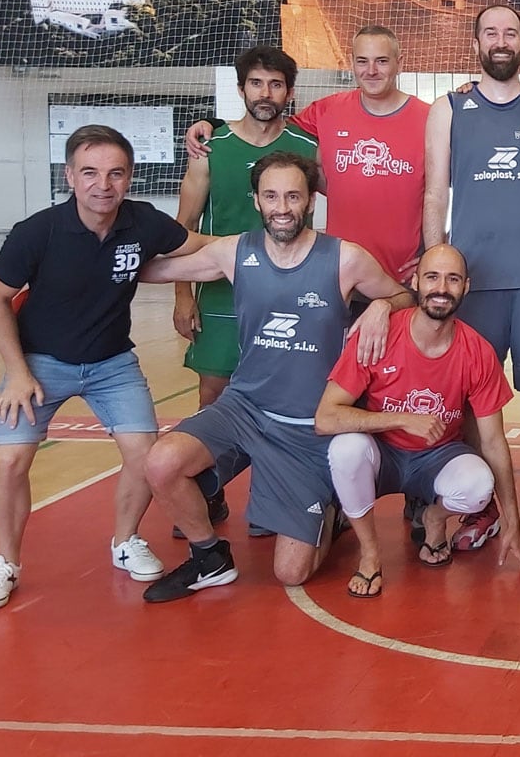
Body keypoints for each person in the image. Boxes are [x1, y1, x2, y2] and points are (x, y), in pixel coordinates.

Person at [137, 152, 412, 602]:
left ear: (309, 202)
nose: (281, 207)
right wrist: (106, 247)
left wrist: (382, 305)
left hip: (307, 427)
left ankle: (332, 509)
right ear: (257, 201)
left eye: (292, 196)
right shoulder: (234, 251)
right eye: (270, 196)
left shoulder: (345, 259)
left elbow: (403, 294)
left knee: (290, 572)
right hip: (243, 408)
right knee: (161, 462)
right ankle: (209, 558)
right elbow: (158, 269)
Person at [0, 125, 207, 611]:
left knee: (147, 456)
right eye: (91, 173)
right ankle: (6, 561)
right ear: (70, 177)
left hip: (111, 362)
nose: (104, 184)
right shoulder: (37, 232)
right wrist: (17, 371)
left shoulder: (143, 224)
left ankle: (124, 540)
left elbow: (200, 244)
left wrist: (267, 239)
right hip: (38, 362)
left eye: (116, 173)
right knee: (11, 460)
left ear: (130, 178)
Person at [424, 4, 520, 514]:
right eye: (491, 32)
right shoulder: (448, 108)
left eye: (510, 32)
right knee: (467, 398)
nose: (501, 40)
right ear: (476, 43)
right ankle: (474, 503)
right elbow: (433, 194)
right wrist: (432, 266)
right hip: (473, 283)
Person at [315, 245, 520, 597]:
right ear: (415, 281)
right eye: (432, 277)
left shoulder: (478, 351)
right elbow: (325, 418)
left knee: (477, 484)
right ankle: (369, 554)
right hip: (383, 454)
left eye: (452, 279)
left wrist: (512, 521)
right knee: (345, 449)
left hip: (437, 456)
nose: (441, 288)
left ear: (466, 287)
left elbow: (493, 442)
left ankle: (433, 517)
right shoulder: (379, 335)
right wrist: (402, 419)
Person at [172, 47, 320, 539]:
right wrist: (182, 297)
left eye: (276, 85)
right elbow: (184, 227)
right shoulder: (212, 148)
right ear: (241, 90)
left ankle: (272, 497)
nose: (266, 93)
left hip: (286, 297)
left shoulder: (306, 147)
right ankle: (205, 492)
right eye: (256, 84)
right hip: (219, 297)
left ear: (289, 92)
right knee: (213, 394)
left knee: (282, 398)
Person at [187, 26, 429, 285]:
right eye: (362, 61)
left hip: (405, 275)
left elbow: (454, 192)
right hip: (338, 274)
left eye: (381, 61)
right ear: (351, 63)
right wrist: (213, 124)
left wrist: (435, 251)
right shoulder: (326, 111)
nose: (371, 71)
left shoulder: (429, 118)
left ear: (399, 63)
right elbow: (266, 125)